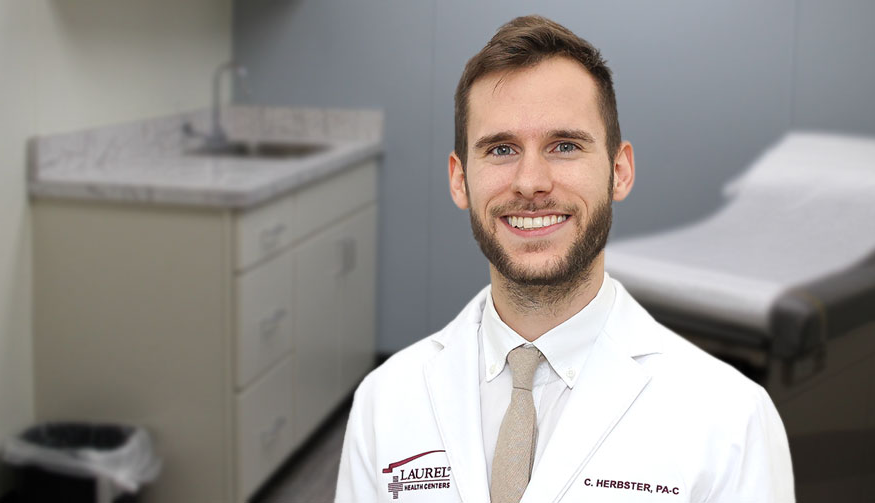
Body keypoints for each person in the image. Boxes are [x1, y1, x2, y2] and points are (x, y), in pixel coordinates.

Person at [336, 15, 793, 503]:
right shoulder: (384, 402)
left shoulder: (730, 419)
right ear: (459, 179)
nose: (531, 181)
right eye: (502, 149)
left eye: (565, 145)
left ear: (619, 171)